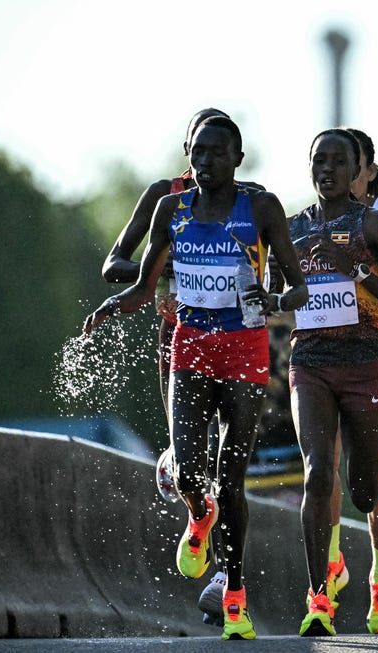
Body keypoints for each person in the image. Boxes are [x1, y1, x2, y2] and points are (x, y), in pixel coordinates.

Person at [83, 115, 308, 640]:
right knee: (187, 471)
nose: (204, 163)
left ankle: (234, 594)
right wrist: (114, 308)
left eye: (215, 153)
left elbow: (297, 288)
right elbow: (143, 285)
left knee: (231, 479)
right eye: (197, 153)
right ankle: (199, 512)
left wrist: (273, 301)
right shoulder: (171, 207)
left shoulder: (262, 207)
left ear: (238, 158)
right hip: (190, 348)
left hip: (245, 351)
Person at [286, 128, 378, 636]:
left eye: (339, 161)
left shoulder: (374, 223)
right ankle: (318, 600)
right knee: (317, 473)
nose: (327, 170)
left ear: (358, 171)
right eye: (319, 160)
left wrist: (353, 271)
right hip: (310, 363)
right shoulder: (289, 228)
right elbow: (278, 298)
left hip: (366, 363)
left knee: (365, 490)